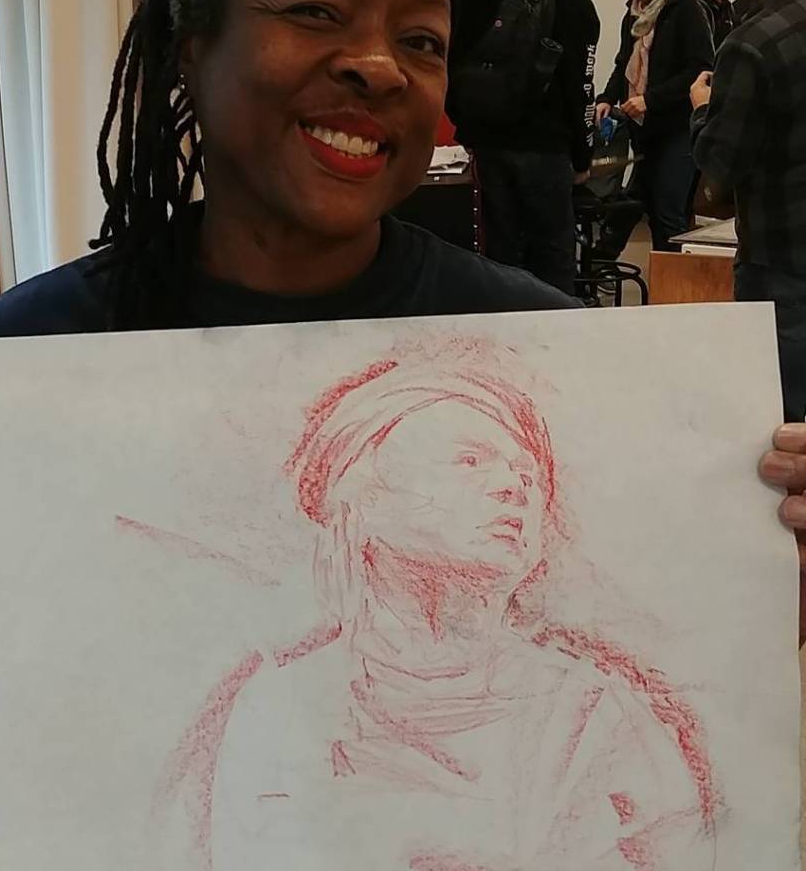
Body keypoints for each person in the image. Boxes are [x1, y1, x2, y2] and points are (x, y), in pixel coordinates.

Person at [0, 0, 802, 851]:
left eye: (423, 38)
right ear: (192, 41)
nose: (378, 64)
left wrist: (767, 574)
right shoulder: (38, 353)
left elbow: (714, 793)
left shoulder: (541, 349)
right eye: (316, 10)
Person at [158, 342, 721, 868]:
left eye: (527, 473)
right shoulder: (282, 704)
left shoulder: (592, 713)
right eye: (470, 461)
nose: (515, 487)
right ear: (363, 500)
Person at [690, 0, 806, 424]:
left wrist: (701, 109)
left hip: (785, 265)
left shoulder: (752, 43)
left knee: (780, 419)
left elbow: (722, 160)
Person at [465, 0, 611, 296]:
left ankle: (502, 328)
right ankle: (552, 330)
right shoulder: (574, 0)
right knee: (552, 257)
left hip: (488, 142)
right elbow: (580, 88)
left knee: (500, 254)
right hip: (545, 148)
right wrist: (583, 157)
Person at [594, 0, 714, 255]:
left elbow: (700, 69)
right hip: (644, 128)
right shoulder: (633, 13)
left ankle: (670, 282)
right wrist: (606, 97)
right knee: (634, 202)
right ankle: (602, 262)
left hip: (677, 127)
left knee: (668, 211)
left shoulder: (688, 9)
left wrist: (650, 99)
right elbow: (623, 62)